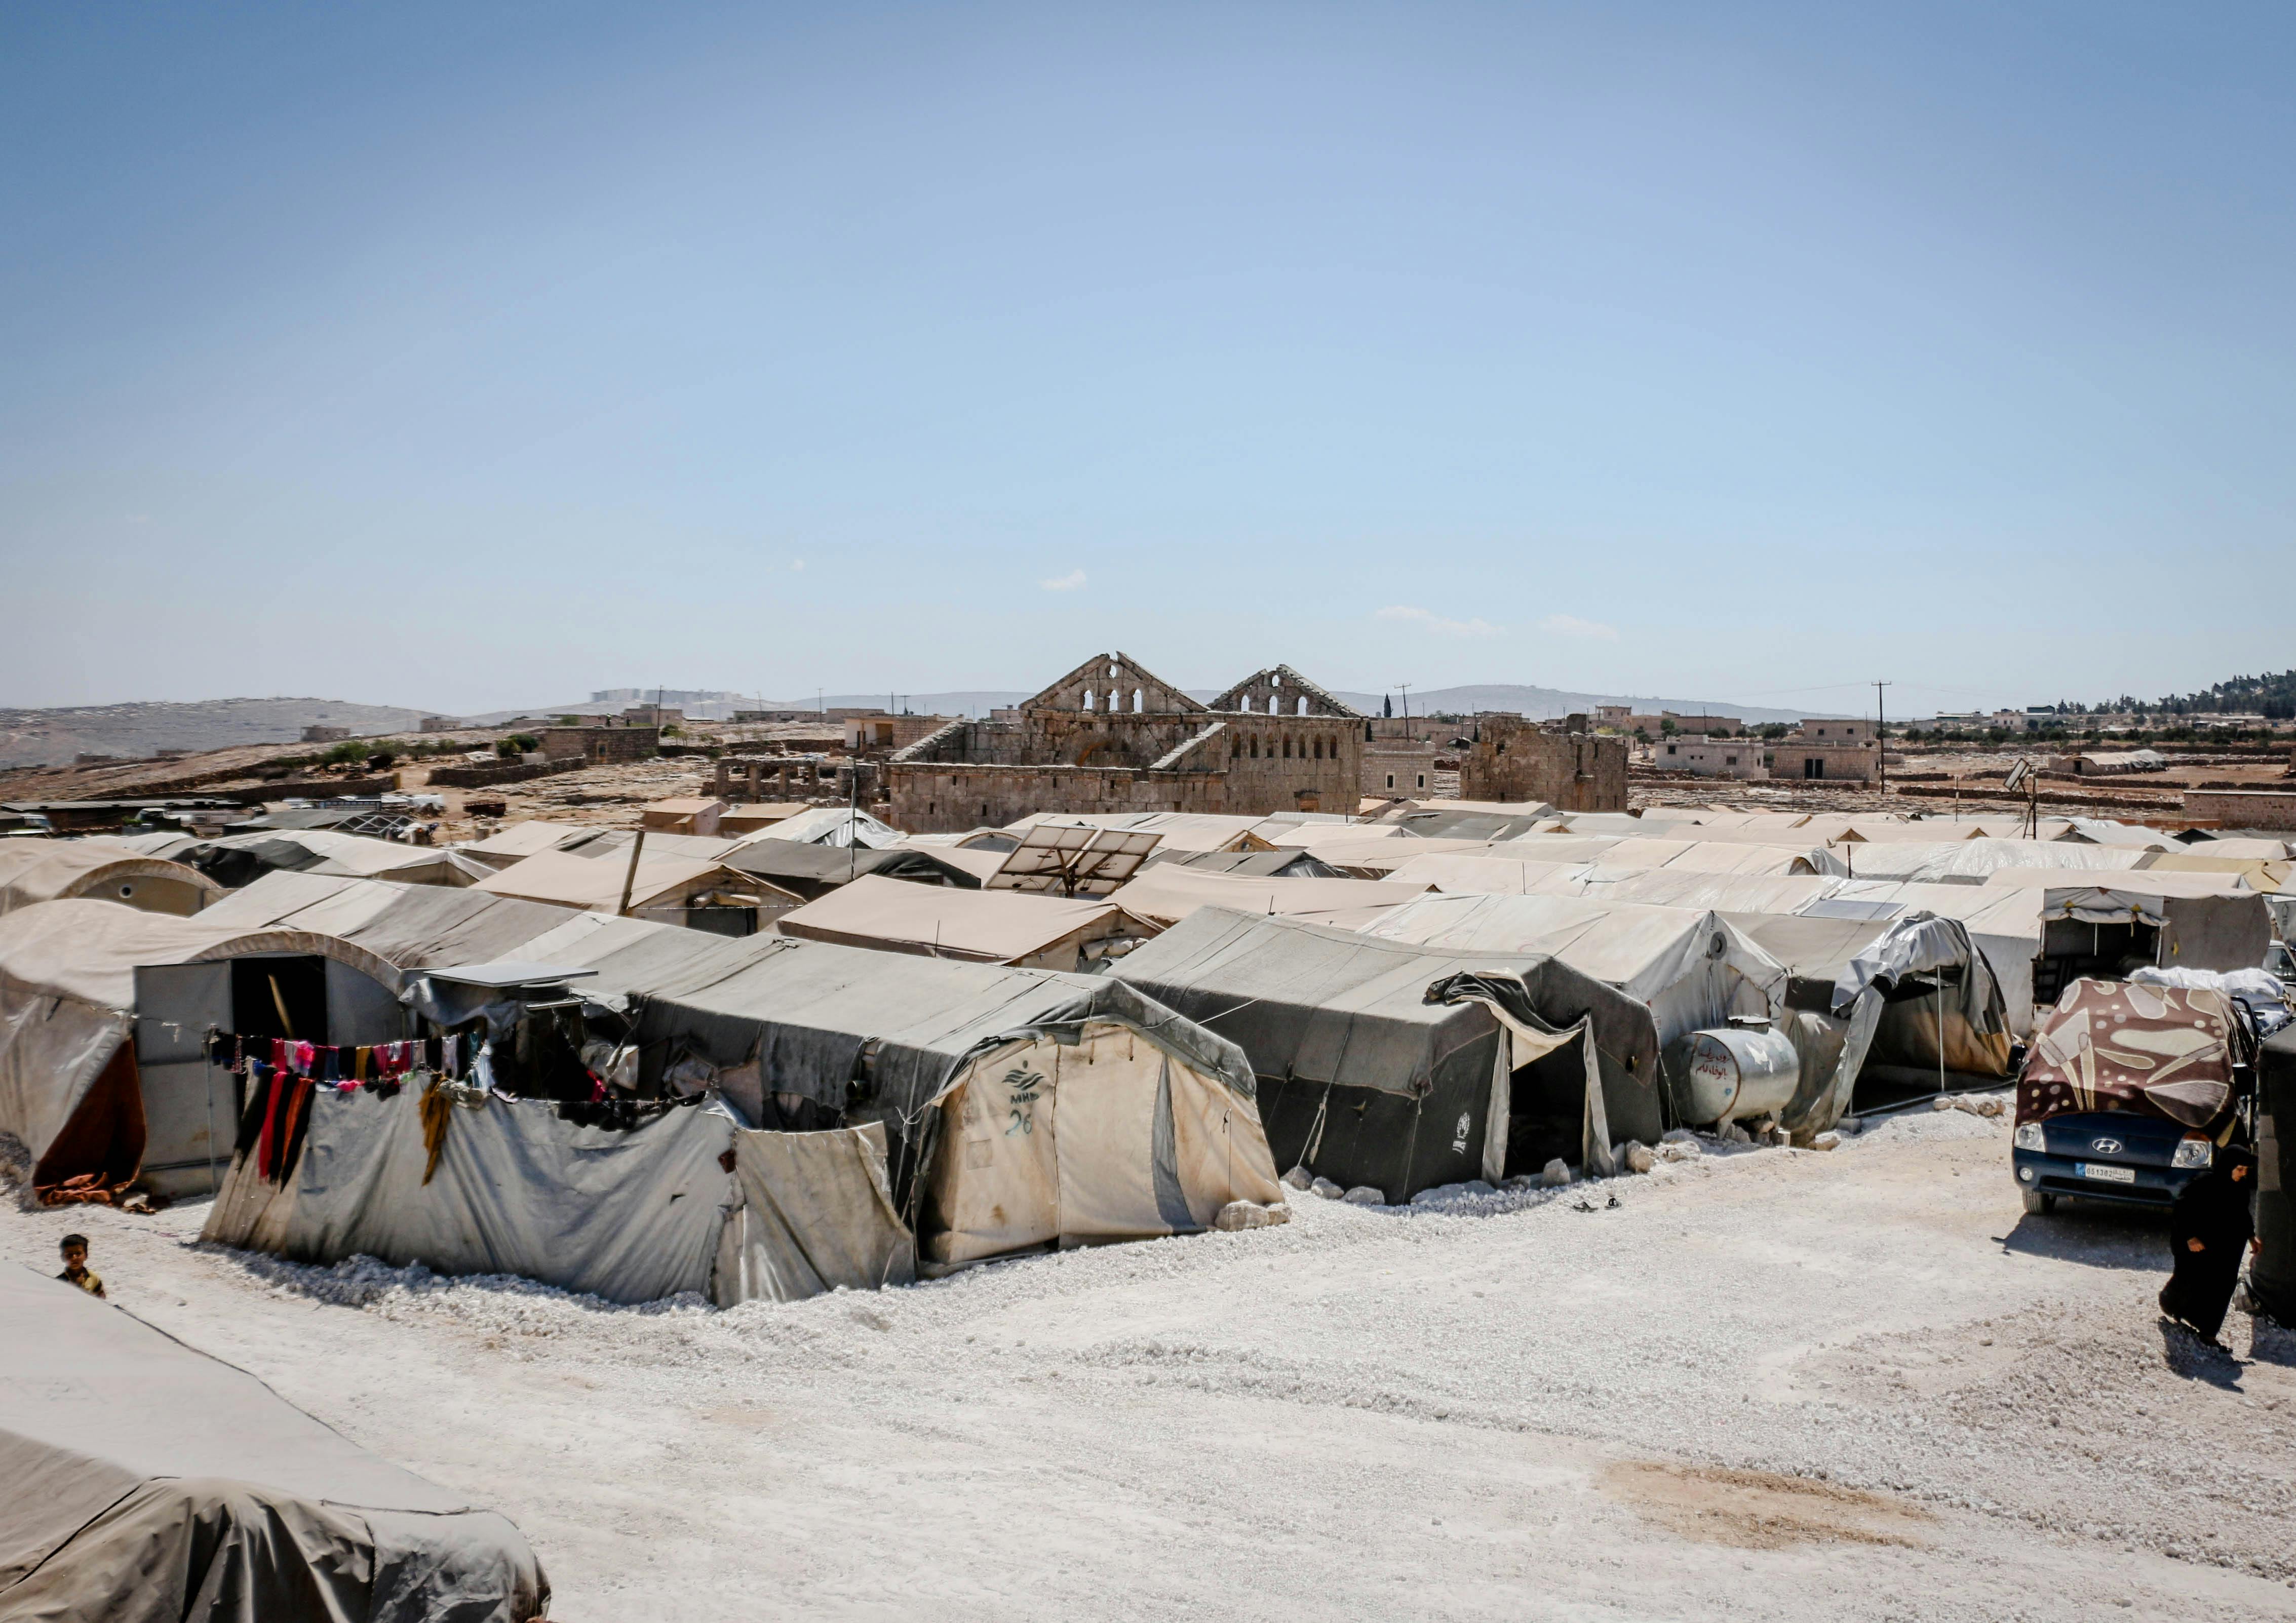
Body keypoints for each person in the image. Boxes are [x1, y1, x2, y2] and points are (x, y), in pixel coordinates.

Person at [2159, 1147, 2255, 1345]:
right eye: (2239, 1168)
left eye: (2245, 1169)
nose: (2243, 1173)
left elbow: (2242, 1214)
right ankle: (2171, 1303)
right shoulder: (2204, 1183)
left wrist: (2252, 1237)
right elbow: (2183, 1209)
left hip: (2225, 1247)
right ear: (2228, 1167)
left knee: (2222, 1285)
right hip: (2197, 1244)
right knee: (2192, 1280)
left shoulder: (2240, 1187)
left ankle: (2208, 1332)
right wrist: (2190, 1237)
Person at [55, 1233, 105, 1299]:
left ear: (86, 1255)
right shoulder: (59, 1282)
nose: (74, 1258)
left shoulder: (94, 1278)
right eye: (70, 1255)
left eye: (78, 1254)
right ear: (63, 1257)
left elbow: (101, 1297)